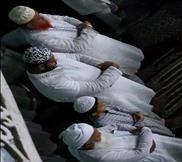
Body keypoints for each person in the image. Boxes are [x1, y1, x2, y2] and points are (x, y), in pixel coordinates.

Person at [5, 7, 142, 71]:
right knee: (126, 66)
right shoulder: (39, 39)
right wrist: (87, 29)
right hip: (93, 50)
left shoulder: (40, 18)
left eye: (38, 14)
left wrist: (80, 24)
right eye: (38, 17)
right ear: (29, 25)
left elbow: (65, 18)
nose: (42, 17)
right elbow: (76, 48)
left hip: (97, 39)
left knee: (130, 53)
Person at [22, 46, 154, 111]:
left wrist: (99, 64)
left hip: (111, 78)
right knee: (142, 106)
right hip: (110, 94)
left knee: (142, 92)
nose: (56, 59)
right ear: (41, 67)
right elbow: (96, 87)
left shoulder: (47, 59)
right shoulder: (54, 85)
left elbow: (77, 57)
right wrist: (113, 69)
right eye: (52, 60)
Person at [73, 94, 170, 135]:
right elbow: (131, 133)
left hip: (140, 119)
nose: (103, 103)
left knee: (161, 124)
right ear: (94, 113)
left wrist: (134, 113)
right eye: (101, 105)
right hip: (142, 128)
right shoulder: (103, 125)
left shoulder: (105, 108)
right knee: (165, 133)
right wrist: (140, 120)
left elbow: (119, 109)